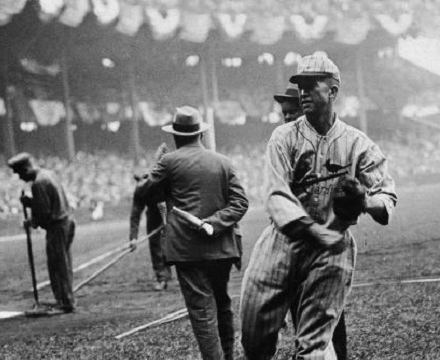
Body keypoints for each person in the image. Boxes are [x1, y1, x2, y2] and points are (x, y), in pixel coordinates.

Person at [241, 53, 397, 359]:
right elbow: (276, 195)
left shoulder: (357, 143)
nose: (303, 91)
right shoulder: (284, 137)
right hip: (283, 241)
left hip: (332, 246)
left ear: (333, 91)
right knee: (254, 339)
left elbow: (387, 199)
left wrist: (365, 200)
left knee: (314, 347)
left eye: (312, 85)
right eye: (300, 84)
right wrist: (311, 230)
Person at [145, 106, 249, 360]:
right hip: (221, 248)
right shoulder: (223, 162)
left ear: (176, 137)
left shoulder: (168, 162)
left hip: (188, 251)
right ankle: (228, 356)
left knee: (203, 314)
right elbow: (240, 203)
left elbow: (147, 193)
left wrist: (158, 167)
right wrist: (214, 222)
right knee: (222, 305)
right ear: (200, 134)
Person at [273, 85, 349, 360]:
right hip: (295, 247)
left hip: (324, 245)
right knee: (299, 311)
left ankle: (338, 355)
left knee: (329, 313)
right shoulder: (282, 147)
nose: (287, 118)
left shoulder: (323, 146)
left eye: (292, 112)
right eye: (284, 113)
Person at [7, 153, 76, 314]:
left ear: (25, 169)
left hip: (57, 226)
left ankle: (65, 302)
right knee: (64, 263)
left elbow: (43, 213)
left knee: (58, 265)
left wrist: (31, 222)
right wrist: (31, 203)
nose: (19, 177)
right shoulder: (48, 174)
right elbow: (46, 203)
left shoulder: (38, 183)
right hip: (67, 222)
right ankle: (65, 299)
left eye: (19, 173)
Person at [129, 143, 172, 291]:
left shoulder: (175, 179)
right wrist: (133, 237)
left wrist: (169, 219)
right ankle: (161, 276)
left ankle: (175, 271)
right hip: (154, 214)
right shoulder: (144, 187)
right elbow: (135, 214)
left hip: (173, 210)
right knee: (156, 245)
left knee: (173, 243)